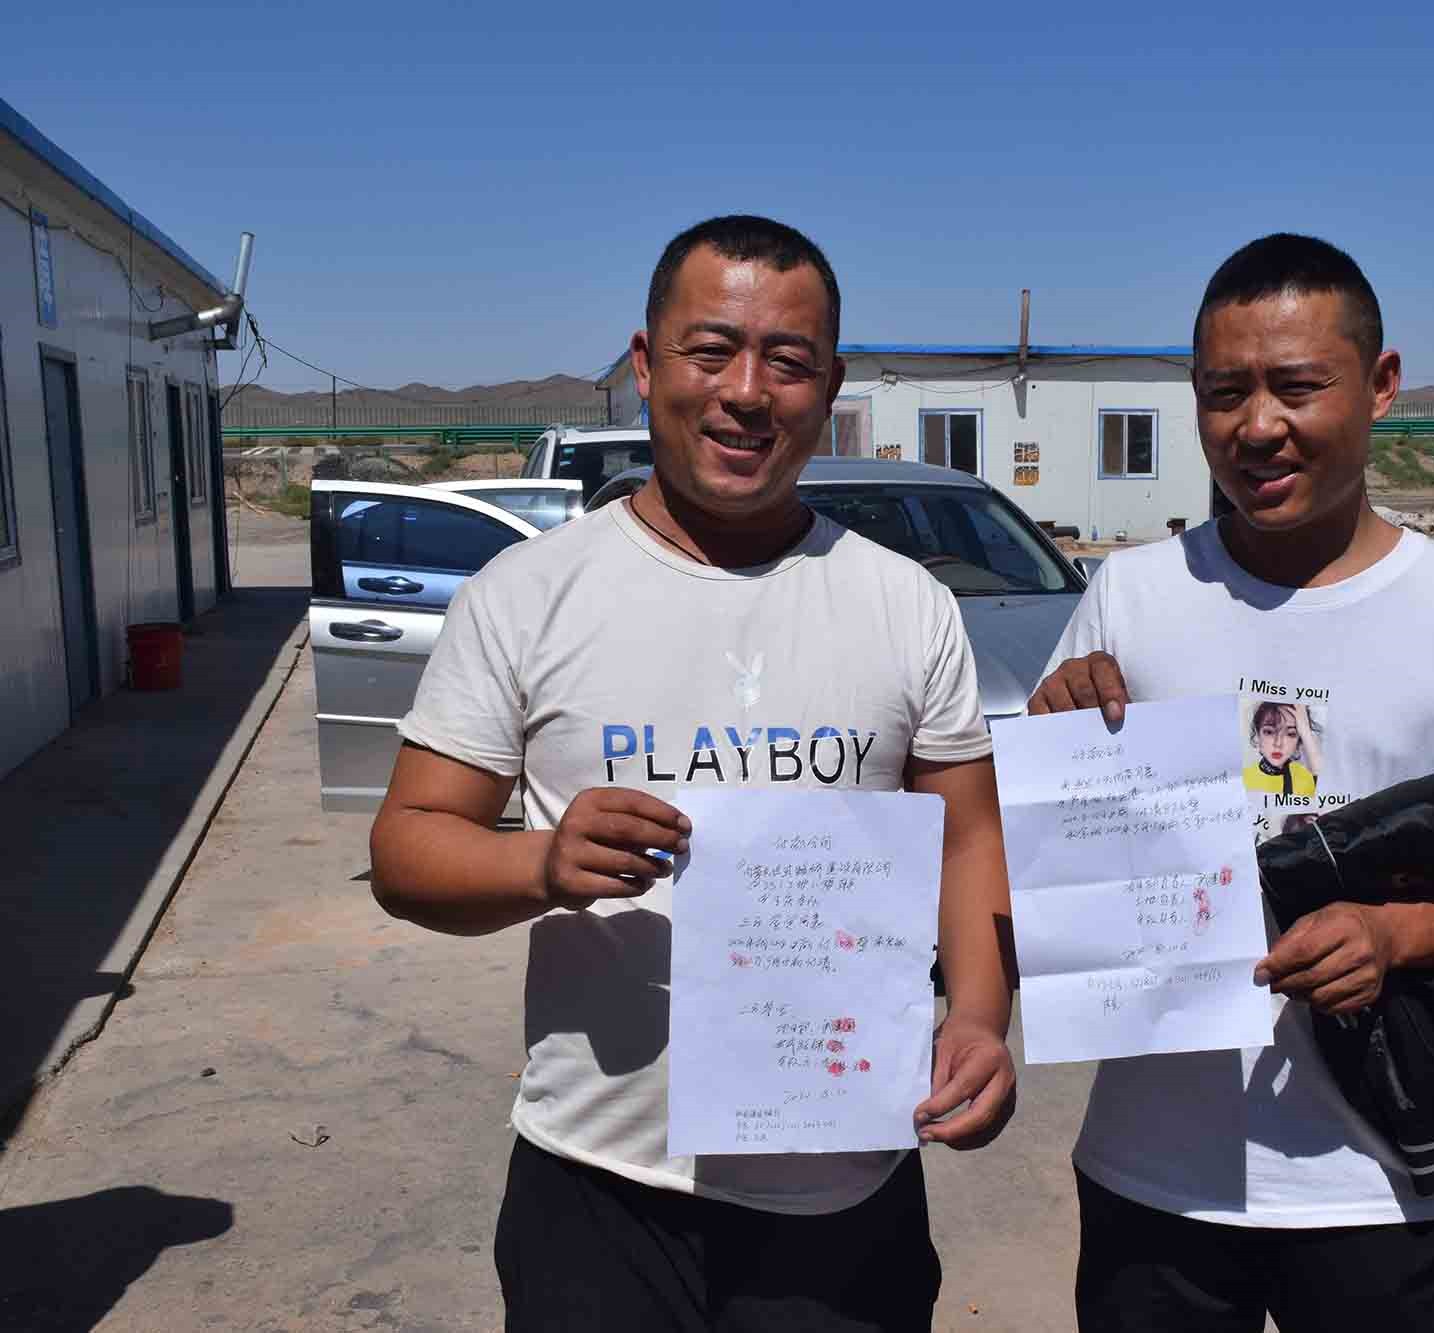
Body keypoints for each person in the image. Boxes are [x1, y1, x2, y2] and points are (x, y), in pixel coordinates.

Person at [369, 215, 1017, 1332]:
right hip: (597, 1190)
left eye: (788, 360)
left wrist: (981, 1015)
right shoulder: (528, 593)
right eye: (711, 350)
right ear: (645, 363)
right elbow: (405, 846)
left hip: (844, 1185)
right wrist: (542, 862)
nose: (747, 393)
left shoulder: (905, 603)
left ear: (831, 386)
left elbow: (968, 837)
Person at [1029, 233, 1434, 1333]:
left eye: (1297, 387)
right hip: (1153, 1174)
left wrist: (1394, 936)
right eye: (1223, 393)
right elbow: (1067, 870)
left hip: (1388, 1180)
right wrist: (1060, 754)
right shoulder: (1130, 596)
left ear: (1379, 385)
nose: (1257, 427)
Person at [1243, 700, 1320, 797]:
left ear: (1299, 739)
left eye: (1290, 734)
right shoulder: (1242, 779)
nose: (1278, 743)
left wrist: (1306, 733)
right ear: (1258, 736)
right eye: (1269, 732)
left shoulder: (1306, 778)